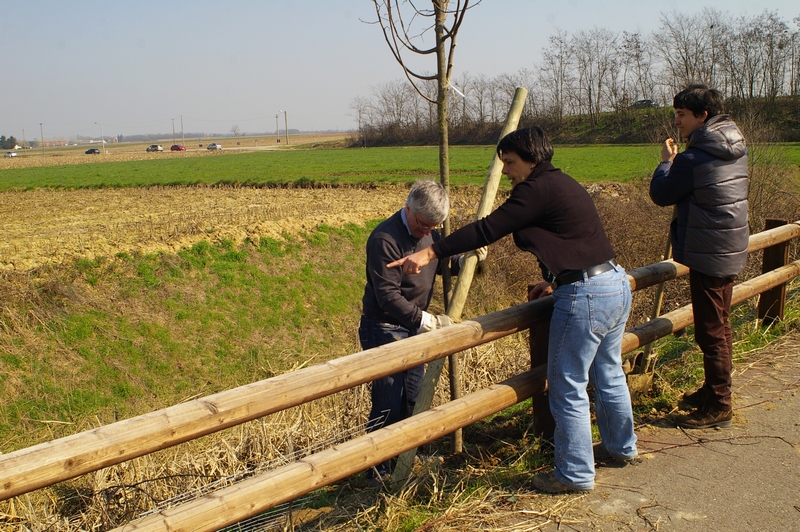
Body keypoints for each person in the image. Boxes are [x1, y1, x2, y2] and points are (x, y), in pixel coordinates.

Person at [388, 127, 637, 494]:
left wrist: (430, 252)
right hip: (612, 282)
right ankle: (621, 447)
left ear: (531, 158)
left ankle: (575, 474)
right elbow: (573, 239)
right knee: (609, 372)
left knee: (567, 386)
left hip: (585, 294)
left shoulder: (534, 189)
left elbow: (489, 229)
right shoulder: (562, 183)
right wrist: (555, 279)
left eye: (510, 162)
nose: (505, 170)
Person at [359, 179, 485, 487]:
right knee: (387, 401)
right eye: (422, 225)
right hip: (384, 328)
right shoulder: (384, 239)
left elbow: (443, 263)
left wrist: (471, 261)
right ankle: (378, 467)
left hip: (413, 328)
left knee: (413, 398)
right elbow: (387, 295)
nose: (426, 232)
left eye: (433, 227)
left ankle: (408, 458)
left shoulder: (430, 234)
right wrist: (425, 321)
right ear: (408, 209)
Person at [650, 84, 749, 429]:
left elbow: (662, 194)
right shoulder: (734, 147)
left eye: (681, 115)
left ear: (701, 116)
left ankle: (720, 404)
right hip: (729, 245)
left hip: (709, 250)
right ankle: (712, 390)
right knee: (719, 323)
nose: (676, 122)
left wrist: (666, 163)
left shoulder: (693, 157)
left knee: (711, 329)